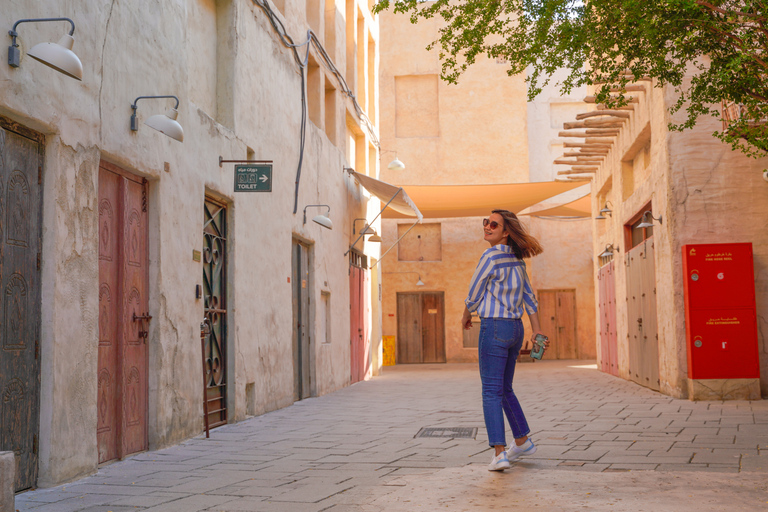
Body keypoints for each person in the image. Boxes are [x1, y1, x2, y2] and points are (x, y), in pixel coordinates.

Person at [461, 209, 547, 471]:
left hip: (495, 328)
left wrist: (465, 315)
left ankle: (499, 453)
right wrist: (537, 331)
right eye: (485, 222)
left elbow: (474, 292)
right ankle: (521, 441)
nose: (487, 226)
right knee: (504, 388)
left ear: (506, 231)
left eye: (493, 224)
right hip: (516, 329)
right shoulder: (518, 261)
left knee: (491, 390)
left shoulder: (490, 256)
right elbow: (530, 298)